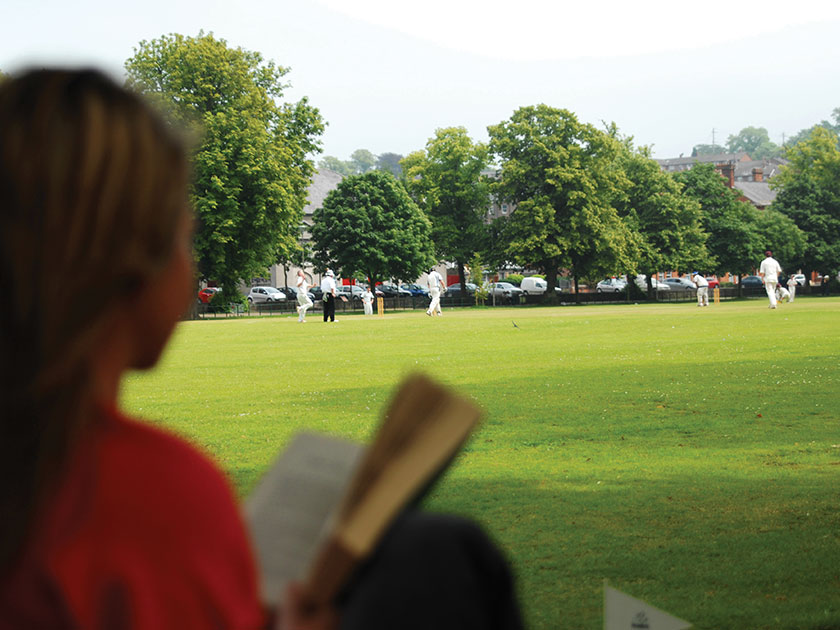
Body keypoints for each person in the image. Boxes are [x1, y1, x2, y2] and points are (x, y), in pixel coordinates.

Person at [0, 69, 522, 630]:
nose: (192, 262)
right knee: (441, 552)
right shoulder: (151, 491)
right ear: (128, 266)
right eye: (185, 235)